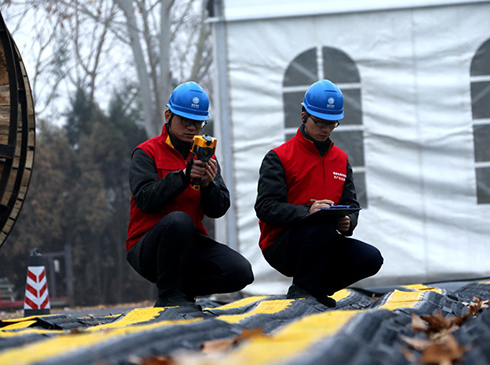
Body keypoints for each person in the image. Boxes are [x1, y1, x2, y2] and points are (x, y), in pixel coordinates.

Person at [255, 79, 383, 308]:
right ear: (304, 115)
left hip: (322, 241)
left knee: (371, 258)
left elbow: (350, 202)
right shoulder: (279, 157)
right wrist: (308, 211)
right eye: (320, 122)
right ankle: (304, 291)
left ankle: (311, 290)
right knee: (321, 222)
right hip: (282, 245)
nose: (325, 129)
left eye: (332, 123)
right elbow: (265, 208)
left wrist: (348, 222)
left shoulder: (341, 160)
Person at [126, 81, 254, 308]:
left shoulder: (207, 156)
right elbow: (145, 199)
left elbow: (219, 208)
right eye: (185, 121)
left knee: (241, 272)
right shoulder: (146, 152)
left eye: (198, 123)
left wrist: (208, 185)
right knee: (179, 220)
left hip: (189, 245)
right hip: (147, 246)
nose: (192, 128)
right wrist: (183, 176)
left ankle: (181, 290)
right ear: (168, 115)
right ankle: (168, 296)